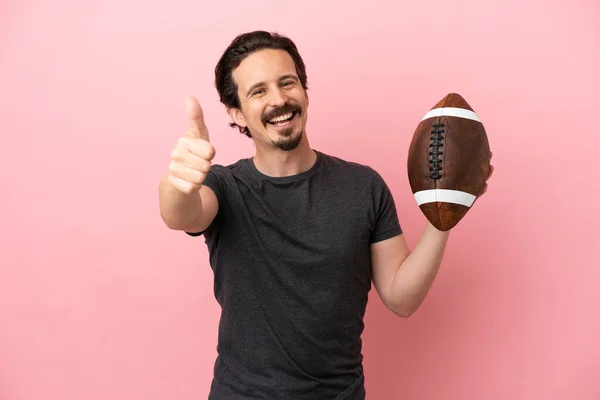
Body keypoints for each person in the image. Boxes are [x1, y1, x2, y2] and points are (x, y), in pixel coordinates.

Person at [158, 30, 492, 400]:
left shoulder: (363, 186)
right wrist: (179, 181)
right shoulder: (224, 186)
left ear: (304, 91)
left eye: (288, 83)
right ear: (236, 111)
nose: (279, 99)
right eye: (258, 91)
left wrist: (444, 209)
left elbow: (401, 297)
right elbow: (181, 214)